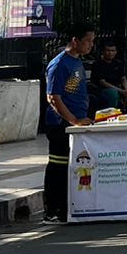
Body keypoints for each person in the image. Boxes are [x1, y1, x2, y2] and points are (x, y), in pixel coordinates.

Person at [42, 23, 96, 223]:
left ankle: (65, 207)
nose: (91, 45)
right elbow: (53, 97)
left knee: (70, 168)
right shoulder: (59, 64)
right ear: (75, 41)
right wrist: (73, 121)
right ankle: (53, 210)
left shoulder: (77, 62)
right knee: (57, 166)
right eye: (88, 41)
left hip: (76, 123)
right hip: (60, 124)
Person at [90, 41, 127, 113]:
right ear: (103, 52)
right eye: (108, 51)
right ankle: (111, 116)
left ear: (116, 52)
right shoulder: (97, 64)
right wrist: (122, 91)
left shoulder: (118, 63)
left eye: (112, 51)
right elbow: (102, 82)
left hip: (119, 88)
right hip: (103, 90)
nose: (110, 53)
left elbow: (123, 79)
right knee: (113, 93)